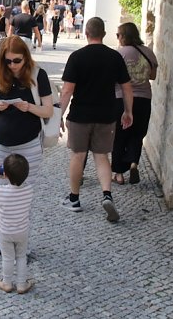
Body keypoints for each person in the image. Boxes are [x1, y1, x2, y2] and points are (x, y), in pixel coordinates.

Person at [0, 35, 52, 259]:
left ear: (26, 58)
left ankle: (21, 248)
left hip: (29, 146)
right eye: (8, 61)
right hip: (1, 146)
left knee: (23, 197)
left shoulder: (38, 75)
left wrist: (28, 106)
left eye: (17, 61)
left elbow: (48, 111)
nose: (13, 65)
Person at [58, 17, 133, 222]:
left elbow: (67, 90)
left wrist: (59, 115)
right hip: (106, 115)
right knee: (102, 157)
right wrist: (128, 111)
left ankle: (74, 199)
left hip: (81, 115)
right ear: (104, 34)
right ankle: (107, 195)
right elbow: (126, 87)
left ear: (86, 33)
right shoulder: (114, 57)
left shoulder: (77, 57)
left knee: (78, 156)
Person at [111, 23, 158, 185]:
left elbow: (113, 79)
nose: (118, 38)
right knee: (137, 134)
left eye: (118, 35)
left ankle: (118, 174)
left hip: (122, 99)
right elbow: (153, 76)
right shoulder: (149, 53)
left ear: (124, 36)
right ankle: (133, 163)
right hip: (144, 99)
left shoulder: (120, 54)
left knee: (119, 135)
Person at [0, 153, 35, 294]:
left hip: (5, 232)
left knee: (8, 258)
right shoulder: (29, 190)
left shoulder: (0, 192)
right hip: (22, 231)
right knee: (21, 256)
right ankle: (22, 284)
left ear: (5, 174)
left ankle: (6, 283)